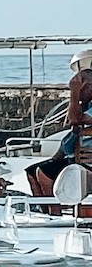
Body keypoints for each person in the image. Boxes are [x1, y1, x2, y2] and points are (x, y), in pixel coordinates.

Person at [27, 52, 92, 199]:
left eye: (81, 88)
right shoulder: (84, 107)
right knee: (31, 172)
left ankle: (56, 210)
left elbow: (75, 120)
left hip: (86, 161)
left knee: (44, 174)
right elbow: (72, 126)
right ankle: (47, 210)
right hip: (74, 157)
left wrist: (74, 94)